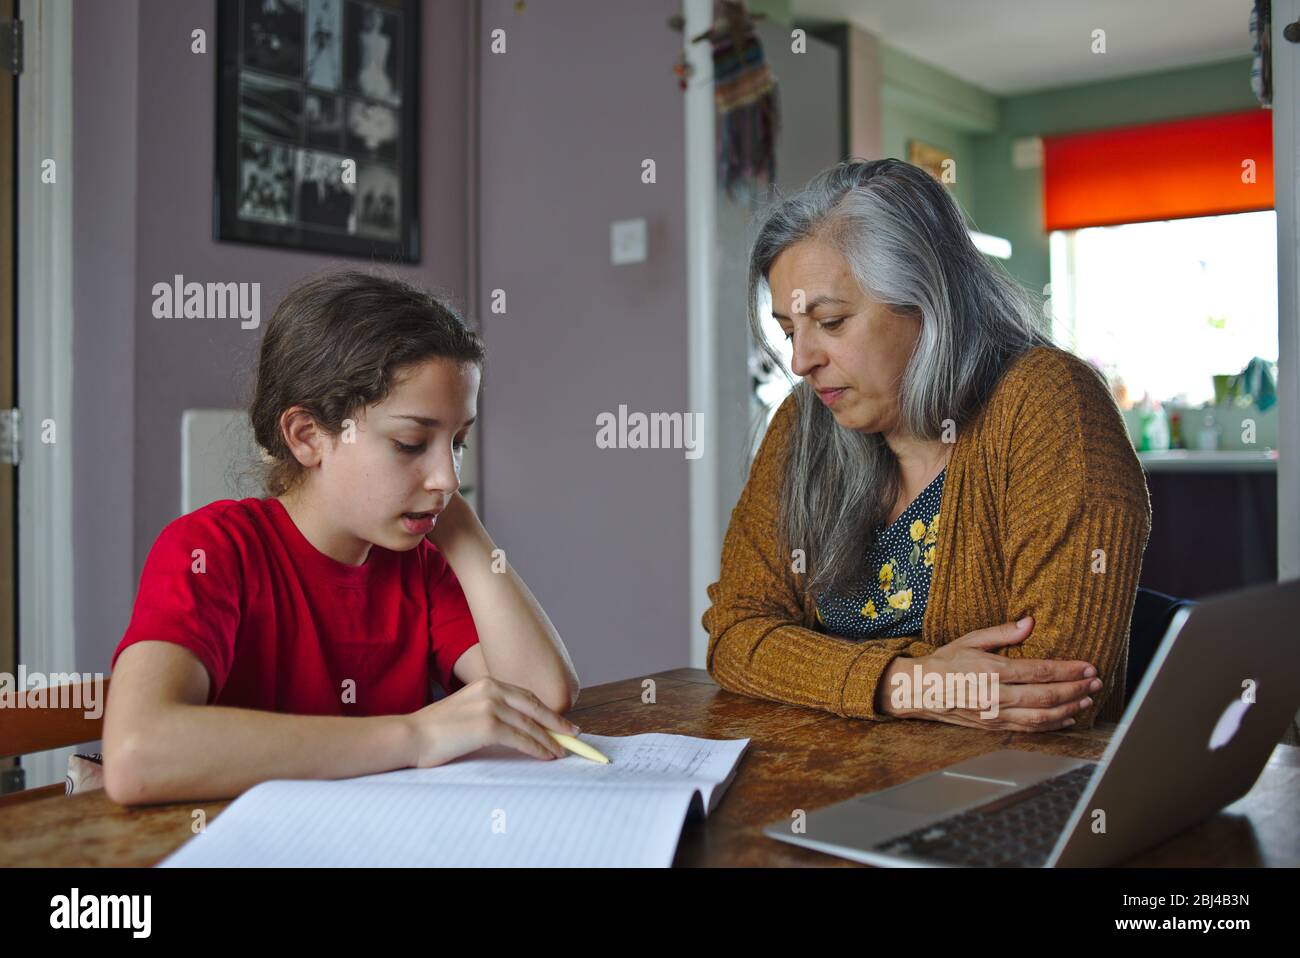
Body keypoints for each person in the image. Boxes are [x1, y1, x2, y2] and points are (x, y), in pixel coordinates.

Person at [702, 158, 1151, 732]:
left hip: (1009, 792)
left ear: (927, 304)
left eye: (832, 323)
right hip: (822, 787)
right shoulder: (802, 422)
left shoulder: (1050, 405)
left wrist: (808, 665)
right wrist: (906, 682)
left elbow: (1046, 690)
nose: (800, 361)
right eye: (790, 332)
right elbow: (736, 633)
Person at [104, 270, 581, 805]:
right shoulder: (211, 549)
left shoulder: (419, 563)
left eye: (459, 441)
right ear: (309, 436)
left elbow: (541, 699)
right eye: (410, 442)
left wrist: (462, 527)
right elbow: (136, 754)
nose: (447, 475)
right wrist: (416, 735)